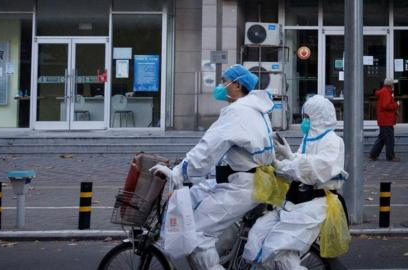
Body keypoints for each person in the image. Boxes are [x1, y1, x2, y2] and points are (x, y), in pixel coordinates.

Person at [150, 64, 275, 270]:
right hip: (249, 182)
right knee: (198, 199)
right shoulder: (255, 110)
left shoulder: (238, 112)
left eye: (225, 81)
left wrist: (179, 172)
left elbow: (208, 148)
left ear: (237, 86)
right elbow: (223, 151)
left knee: (197, 235)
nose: (221, 85)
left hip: (242, 187)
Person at [243, 95, 349, 270]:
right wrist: (282, 160)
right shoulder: (309, 139)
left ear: (319, 117)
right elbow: (300, 164)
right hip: (295, 200)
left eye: (308, 117)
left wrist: (287, 160)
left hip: (314, 203)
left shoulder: (332, 141)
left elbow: (316, 170)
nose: (304, 122)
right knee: (258, 237)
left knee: (279, 250)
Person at [369, 78, 400, 162]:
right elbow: (385, 106)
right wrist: (396, 105)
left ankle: (373, 154)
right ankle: (390, 156)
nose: (394, 85)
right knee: (390, 139)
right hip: (386, 120)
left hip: (384, 119)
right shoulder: (386, 92)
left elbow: (385, 105)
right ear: (390, 85)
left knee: (382, 138)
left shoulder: (384, 91)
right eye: (393, 84)